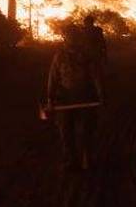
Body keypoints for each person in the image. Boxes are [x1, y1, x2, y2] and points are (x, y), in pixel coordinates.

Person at [45, 16, 107, 171]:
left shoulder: (87, 56)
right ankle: (71, 159)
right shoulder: (60, 56)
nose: (70, 40)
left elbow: (95, 76)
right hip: (66, 98)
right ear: (65, 38)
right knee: (66, 131)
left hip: (86, 95)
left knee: (86, 130)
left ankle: (86, 158)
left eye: (73, 37)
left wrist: (101, 94)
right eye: (68, 37)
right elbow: (53, 77)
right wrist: (50, 98)